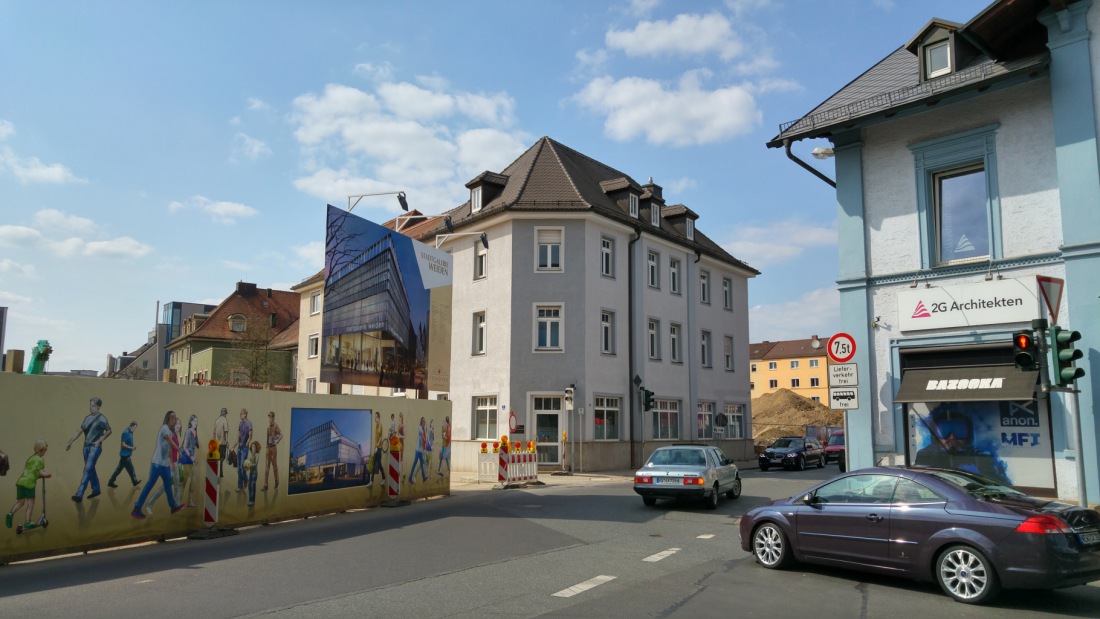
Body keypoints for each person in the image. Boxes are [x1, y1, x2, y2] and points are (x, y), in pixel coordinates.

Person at [913, 406, 1009, 483]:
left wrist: (986, 468)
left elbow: (997, 484)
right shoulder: (926, 455)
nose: (952, 438)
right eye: (944, 431)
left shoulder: (979, 457)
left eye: (959, 430)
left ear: (969, 435)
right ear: (935, 436)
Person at [132, 411, 186, 519]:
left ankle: (173, 506)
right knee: (149, 485)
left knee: (167, 486)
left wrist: (171, 462)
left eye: (175, 418)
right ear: (167, 418)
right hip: (157, 463)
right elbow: (170, 442)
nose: (174, 419)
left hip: (165, 465)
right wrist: (179, 450)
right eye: (172, 417)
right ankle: (137, 508)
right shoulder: (164, 428)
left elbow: (169, 448)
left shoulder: (170, 432)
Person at [65, 397, 112, 502]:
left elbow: (109, 431)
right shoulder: (87, 418)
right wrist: (70, 442)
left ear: (99, 407)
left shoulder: (101, 418)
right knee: (90, 469)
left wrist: (100, 440)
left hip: (95, 448)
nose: (91, 408)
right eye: (90, 405)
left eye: (94, 406)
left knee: (87, 469)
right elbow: (79, 431)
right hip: (86, 447)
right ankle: (96, 489)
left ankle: (79, 494)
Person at [6, 440, 51, 529]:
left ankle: (10, 514)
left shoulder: (31, 458)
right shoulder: (40, 460)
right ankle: (28, 522)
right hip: (29, 485)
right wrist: (48, 474)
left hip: (21, 482)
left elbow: (32, 473)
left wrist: (40, 476)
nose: (46, 451)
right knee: (30, 504)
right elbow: (42, 473)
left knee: (21, 503)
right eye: (45, 449)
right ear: (42, 450)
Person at [146, 414, 182, 514]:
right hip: (170, 464)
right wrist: (171, 463)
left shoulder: (175, 435)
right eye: (176, 423)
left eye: (179, 423)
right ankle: (149, 505)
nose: (178, 425)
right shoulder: (171, 434)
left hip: (175, 463)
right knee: (165, 487)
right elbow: (169, 449)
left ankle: (175, 506)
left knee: (177, 484)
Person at [107, 421, 141, 488]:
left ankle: (110, 482)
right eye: (134, 428)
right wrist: (132, 448)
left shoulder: (131, 432)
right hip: (125, 456)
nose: (135, 429)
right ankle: (134, 481)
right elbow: (123, 444)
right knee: (131, 469)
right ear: (131, 426)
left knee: (118, 470)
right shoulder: (125, 433)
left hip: (126, 455)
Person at [178, 415, 198, 507]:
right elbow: (185, 447)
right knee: (189, 480)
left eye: (196, 421)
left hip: (189, 459)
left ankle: (183, 502)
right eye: (194, 421)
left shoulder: (195, 432)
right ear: (190, 422)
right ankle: (181, 502)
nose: (196, 423)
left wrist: (194, 458)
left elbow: (193, 447)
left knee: (188, 481)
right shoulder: (188, 432)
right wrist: (191, 457)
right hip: (186, 459)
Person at [262, 411, 282, 492]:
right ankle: (265, 485)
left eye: (270, 417)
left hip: (273, 448)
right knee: (267, 466)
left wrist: (277, 441)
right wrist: (266, 445)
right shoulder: (268, 427)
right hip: (268, 448)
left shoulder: (276, 426)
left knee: (274, 465)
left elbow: (281, 435)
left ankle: (276, 480)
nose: (269, 418)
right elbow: (267, 437)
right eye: (269, 417)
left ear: (273, 417)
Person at [236, 408, 253, 492]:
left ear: (245, 414)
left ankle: (246, 480)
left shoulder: (248, 423)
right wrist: (237, 443)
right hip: (239, 447)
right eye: (240, 414)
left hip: (244, 448)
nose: (240, 415)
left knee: (242, 467)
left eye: (242, 414)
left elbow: (250, 436)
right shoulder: (240, 423)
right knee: (238, 468)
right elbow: (238, 434)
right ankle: (239, 486)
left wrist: (247, 443)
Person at [408, 417, 427, 485]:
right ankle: (411, 478)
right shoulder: (420, 428)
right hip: (418, 450)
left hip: (419, 450)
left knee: (420, 463)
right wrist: (426, 440)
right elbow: (422, 436)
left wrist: (425, 429)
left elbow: (425, 435)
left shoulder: (423, 429)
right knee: (417, 463)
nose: (424, 423)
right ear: (421, 422)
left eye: (424, 422)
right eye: (423, 421)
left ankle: (423, 477)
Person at [212, 407, 229, 478]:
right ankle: (220, 472)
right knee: (222, 458)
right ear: (225, 413)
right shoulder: (225, 420)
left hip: (216, 443)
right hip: (222, 443)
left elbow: (214, 432)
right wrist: (227, 441)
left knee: (217, 457)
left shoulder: (217, 420)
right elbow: (226, 431)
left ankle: (217, 472)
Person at [245, 440, 261, 506]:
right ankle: (250, 499)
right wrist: (246, 465)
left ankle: (252, 501)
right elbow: (247, 462)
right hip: (251, 473)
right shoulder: (250, 454)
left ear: (256, 448)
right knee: (249, 486)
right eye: (252, 447)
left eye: (254, 447)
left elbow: (255, 464)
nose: (253, 448)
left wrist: (249, 465)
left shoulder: (257, 455)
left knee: (252, 485)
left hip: (254, 473)